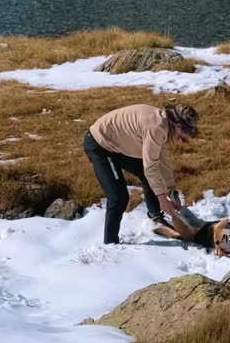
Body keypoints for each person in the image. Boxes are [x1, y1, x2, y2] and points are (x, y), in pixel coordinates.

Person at [83, 103, 198, 244]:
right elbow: (150, 168)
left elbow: (161, 159)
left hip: (117, 145)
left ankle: (156, 219)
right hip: (100, 145)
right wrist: (163, 200)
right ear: (177, 124)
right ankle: (110, 244)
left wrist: (171, 191)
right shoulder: (156, 128)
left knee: (150, 177)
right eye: (184, 131)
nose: (184, 135)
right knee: (118, 197)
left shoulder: (163, 124)